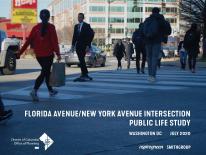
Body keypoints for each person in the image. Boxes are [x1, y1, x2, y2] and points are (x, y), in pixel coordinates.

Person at [17, 9, 61, 102]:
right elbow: (54, 42)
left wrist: (20, 53)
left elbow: (27, 42)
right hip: (48, 55)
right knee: (44, 72)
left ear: (40, 17)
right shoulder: (51, 27)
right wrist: (58, 53)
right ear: (49, 17)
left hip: (39, 56)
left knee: (47, 72)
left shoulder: (35, 28)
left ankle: (50, 90)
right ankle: (34, 90)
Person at [143, 7, 171, 82]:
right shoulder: (161, 20)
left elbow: (143, 30)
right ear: (159, 12)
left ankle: (149, 75)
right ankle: (153, 75)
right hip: (157, 41)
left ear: (152, 12)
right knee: (154, 58)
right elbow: (168, 31)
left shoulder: (147, 20)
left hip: (148, 41)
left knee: (149, 58)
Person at [71, 13, 94, 81]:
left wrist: (88, 45)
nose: (79, 18)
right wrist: (72, 45)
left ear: (83, 18)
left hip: (84, 46)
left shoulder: (86, 25)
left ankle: (84, 73)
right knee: (81, 60)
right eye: (78, 17)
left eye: (80, 17)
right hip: (78, 46)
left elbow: (91, 35)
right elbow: (74, 36)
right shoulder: (76, 26)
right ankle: (84, 73)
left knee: (81, 59)